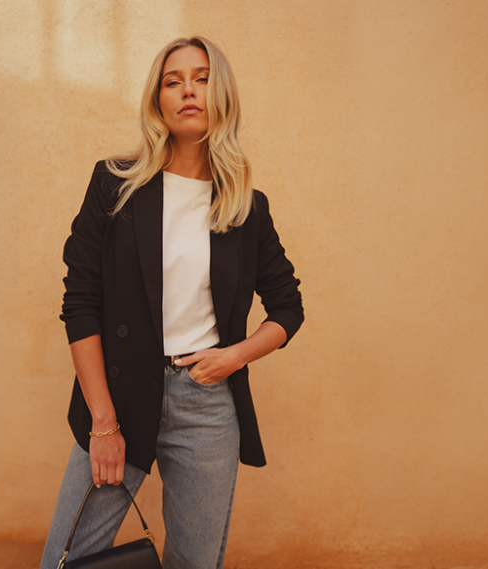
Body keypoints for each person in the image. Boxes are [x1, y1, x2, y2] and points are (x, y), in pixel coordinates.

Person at [40, 36, 304, 569]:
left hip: (207, 406)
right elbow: (80, 302)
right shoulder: (114, 185)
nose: (188, 90)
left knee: (194, 562)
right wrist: (103, 423)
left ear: (222, 95)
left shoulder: (246, 207)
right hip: (120, 397)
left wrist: (235, 356)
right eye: (173, 80)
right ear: (157, 99)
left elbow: (287, 306)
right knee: (67, 559)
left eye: (203, 78)